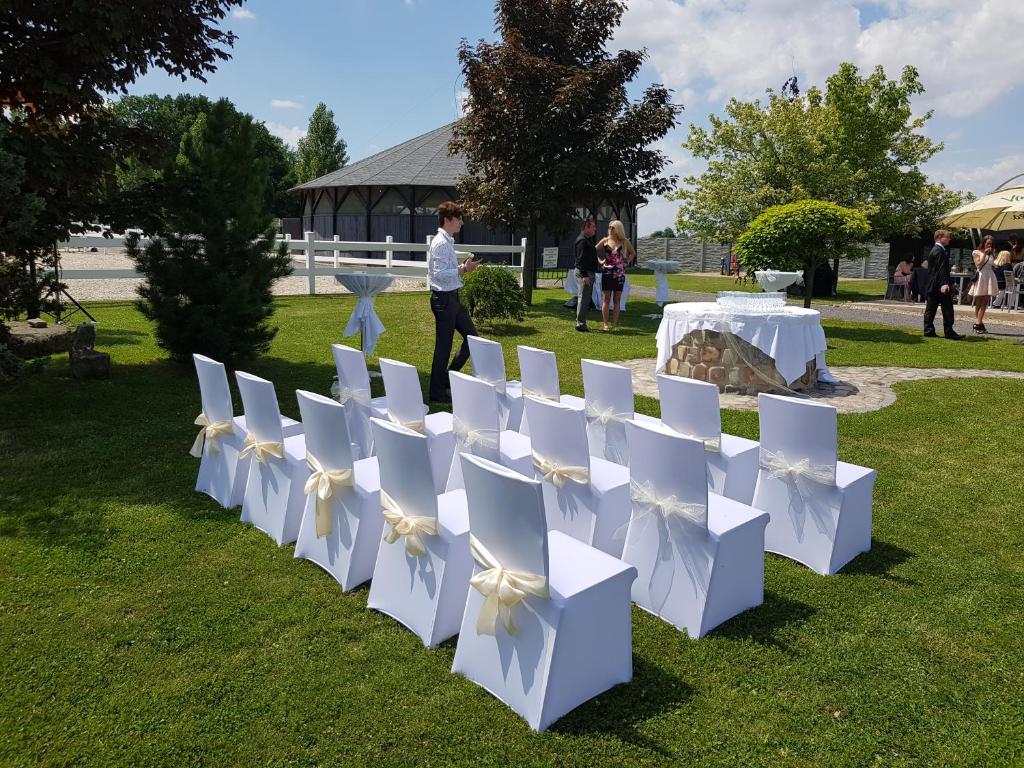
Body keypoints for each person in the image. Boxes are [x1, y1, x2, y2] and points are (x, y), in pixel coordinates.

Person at [427, 201, 480, 403]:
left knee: (472, 339)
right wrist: (464, 269)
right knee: (443, 347)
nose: (461, 223)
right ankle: (437, 392)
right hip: (444, 300)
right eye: (458, 219)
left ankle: (448, 380)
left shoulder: (446, 241)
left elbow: (445, 271)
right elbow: (439, 275)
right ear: (448, 220)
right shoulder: (441, 243)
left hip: (452, 298)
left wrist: (463, 268)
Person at [923, 229, 964, 340]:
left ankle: (928, 330)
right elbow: (940, 269)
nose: (949, 239)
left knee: (931, 308)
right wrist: (944, 284)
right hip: (939, 284)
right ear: (940, 237)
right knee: (947, 308)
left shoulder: (935, 250)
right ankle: (948, 331)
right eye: (947, 237)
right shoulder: (939, 251)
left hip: (933, 284)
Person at [595, 219, 636, 331]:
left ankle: (615, 325)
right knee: (606, 298)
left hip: (619, 274)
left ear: (618, 229)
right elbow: (593, 251)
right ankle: (605, 324)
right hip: (607, 272)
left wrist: (627, 262)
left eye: (612, 227)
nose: (609, 229)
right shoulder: (605, 240)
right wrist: (600, 261)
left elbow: (633, 253)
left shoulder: (624, 242)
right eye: (609, 227)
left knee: (617, 300)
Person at [968, 235, 998, 333]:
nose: (989, 245)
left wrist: (994, 266)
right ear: (983, 243)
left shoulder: (992, 254)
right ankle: (978, 323)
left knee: (985, 301)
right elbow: (978, 264)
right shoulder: (976, 252)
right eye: (987, 243)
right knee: (979, 301)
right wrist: (984, 254)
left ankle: (978, 323)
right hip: (981, 276)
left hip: (989, 276)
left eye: (991, 244)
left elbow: (992, 265)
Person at [573, 217, 598, 332]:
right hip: (585, 273)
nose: (595, 229)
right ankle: (580, 323)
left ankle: (581, 322)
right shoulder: (582, 240)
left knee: (585, 298)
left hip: (588, 272)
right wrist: (584, 276)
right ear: (586, 227)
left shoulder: (587, 239)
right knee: (583, 298)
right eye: (593, 226)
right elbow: (580, 259)